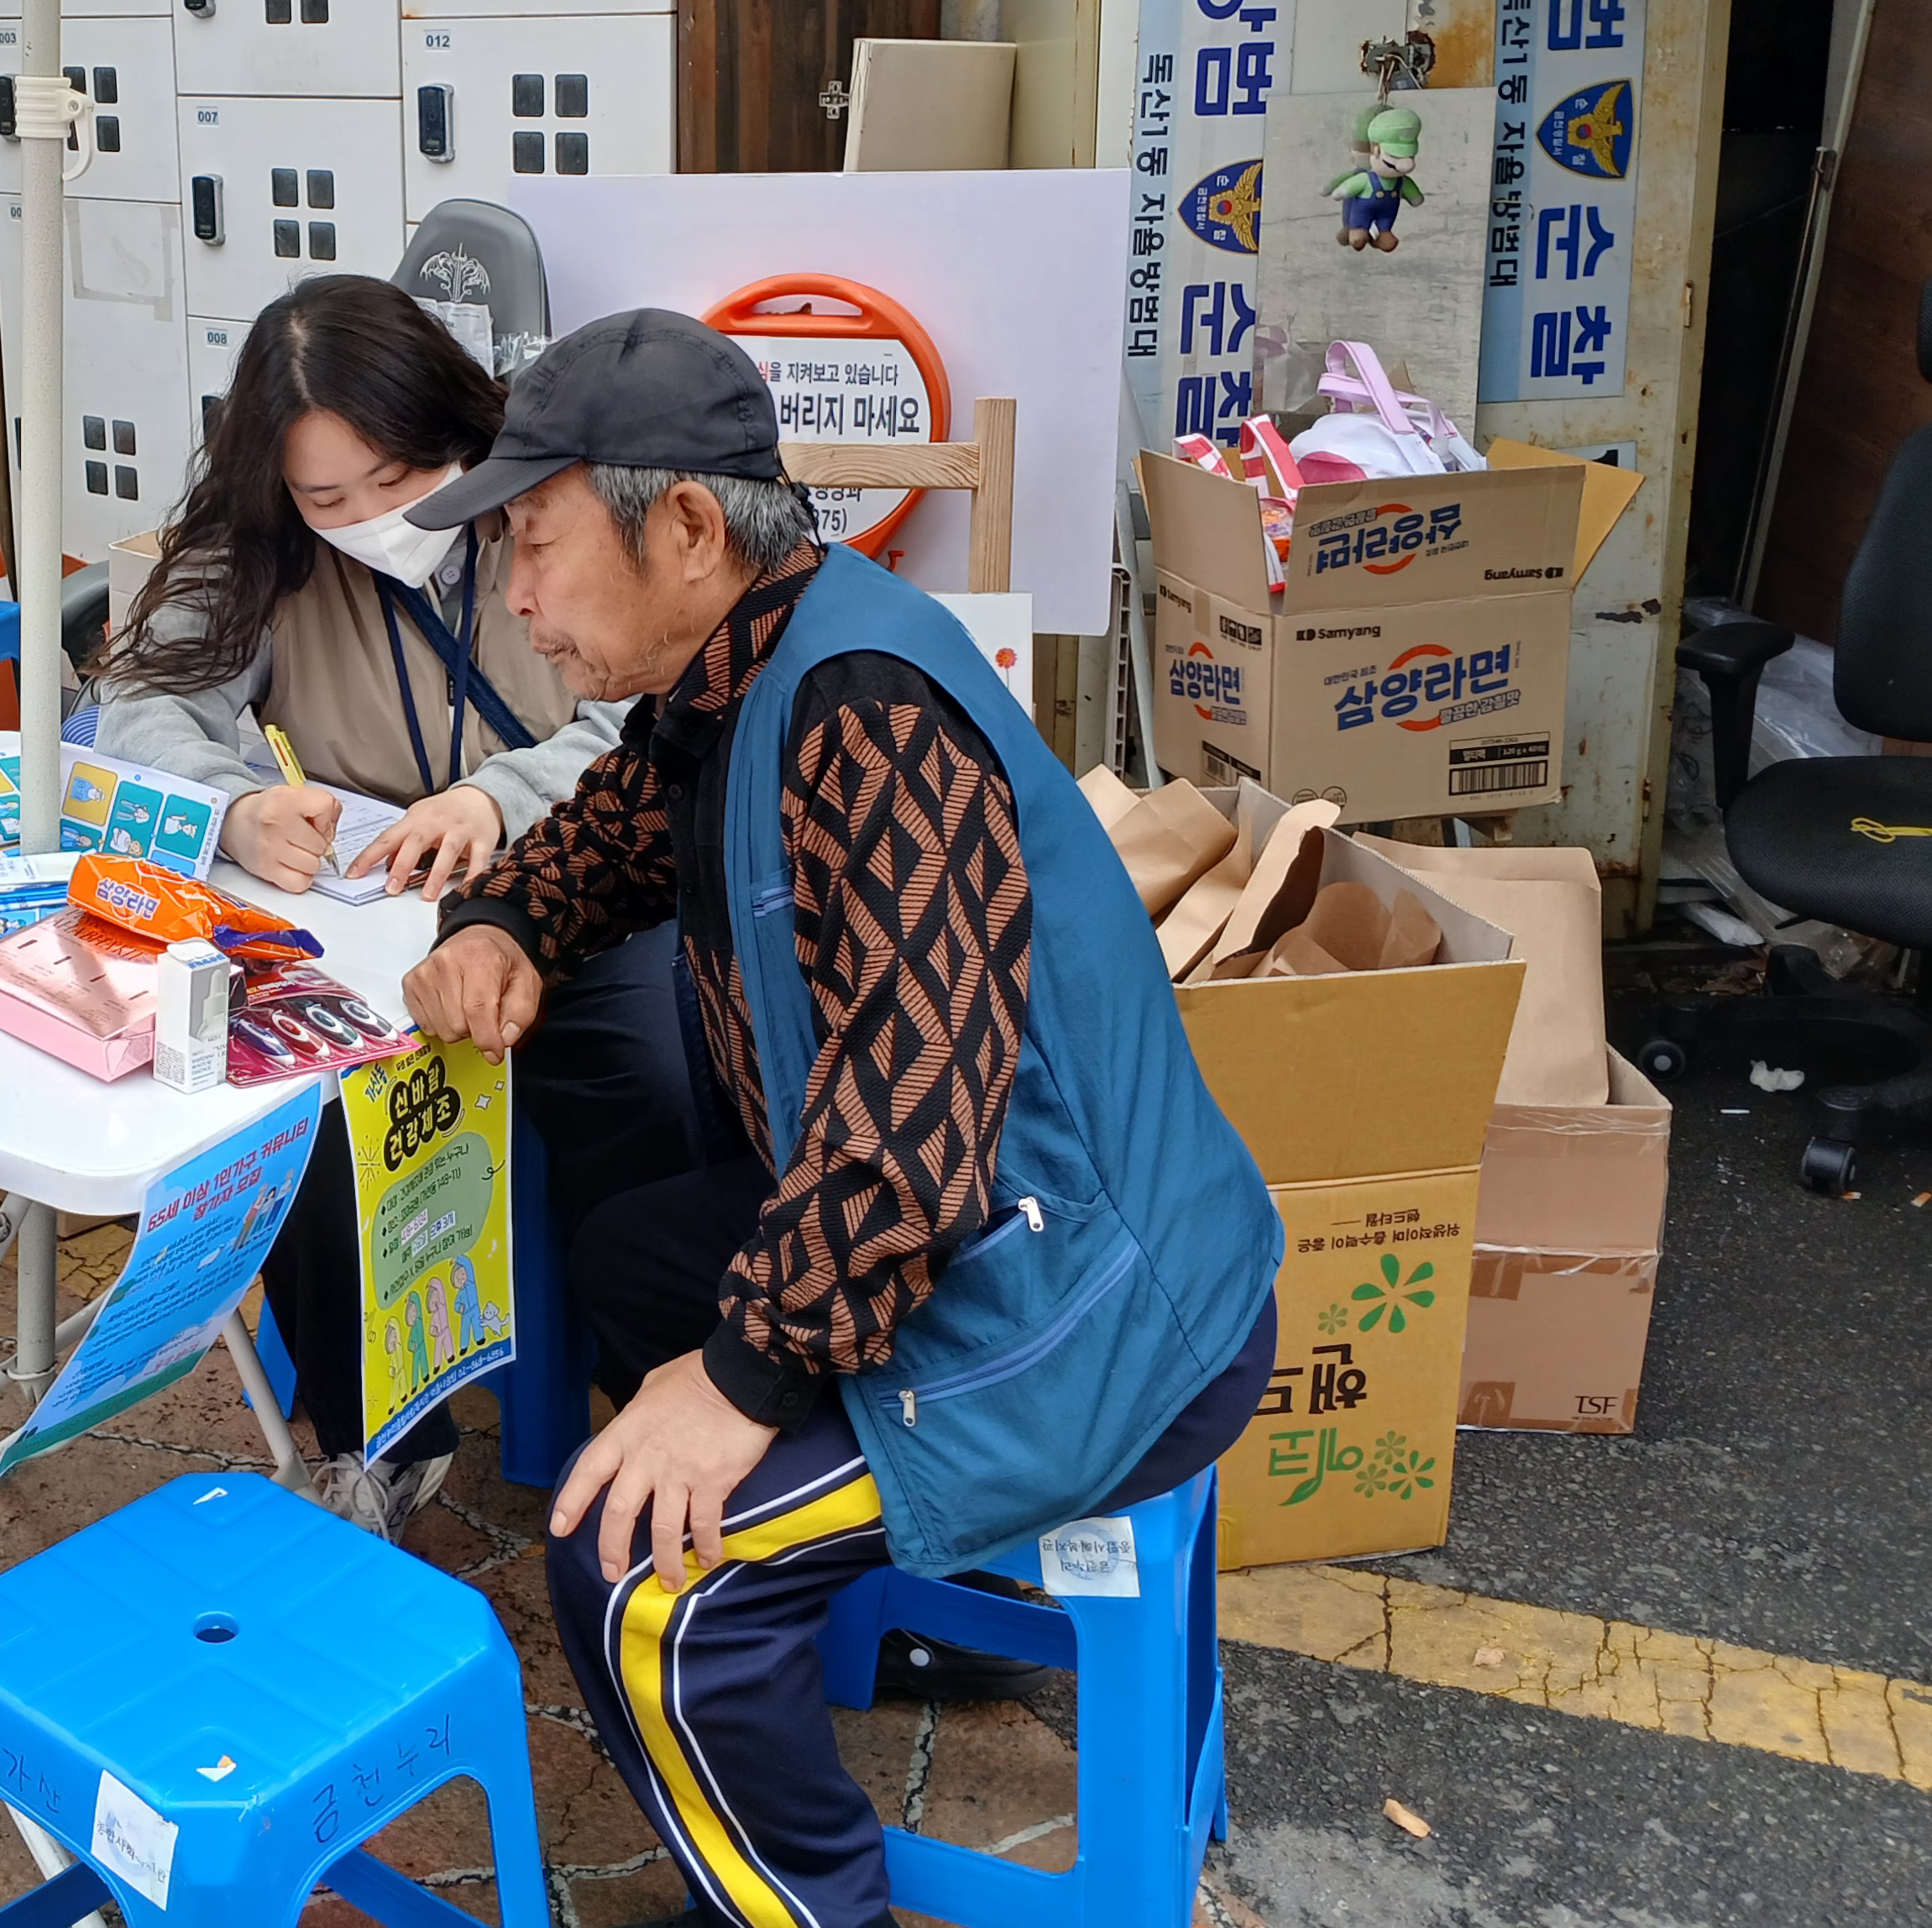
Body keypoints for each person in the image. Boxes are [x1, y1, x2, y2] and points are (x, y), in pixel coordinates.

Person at [399, 310, 1284, 1928]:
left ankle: (802, 1880)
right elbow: (614, 826)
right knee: (634, 1257)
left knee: (633, 1581)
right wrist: (506, 919)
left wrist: (744, 1377)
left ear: (682, 527)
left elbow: (911, 1124)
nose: (516, 597)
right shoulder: (738, 667)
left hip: (1086, 1308)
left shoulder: (863, 712)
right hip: (983, 1234)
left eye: (535, 544)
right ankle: (786, 1629)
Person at [93, 275, 699, 1542]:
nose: (377, 518)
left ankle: (662, 1394)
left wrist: (498, 798)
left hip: (585, 890)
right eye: (329, 499)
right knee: (299, 1101)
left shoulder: (552, 511)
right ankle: (376, 1439)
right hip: (365, 917)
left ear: (460, 430)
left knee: (647, 1073)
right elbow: (140, 712)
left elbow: (642, 714)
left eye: (403, 475)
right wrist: (232, 809)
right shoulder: (251, 555)